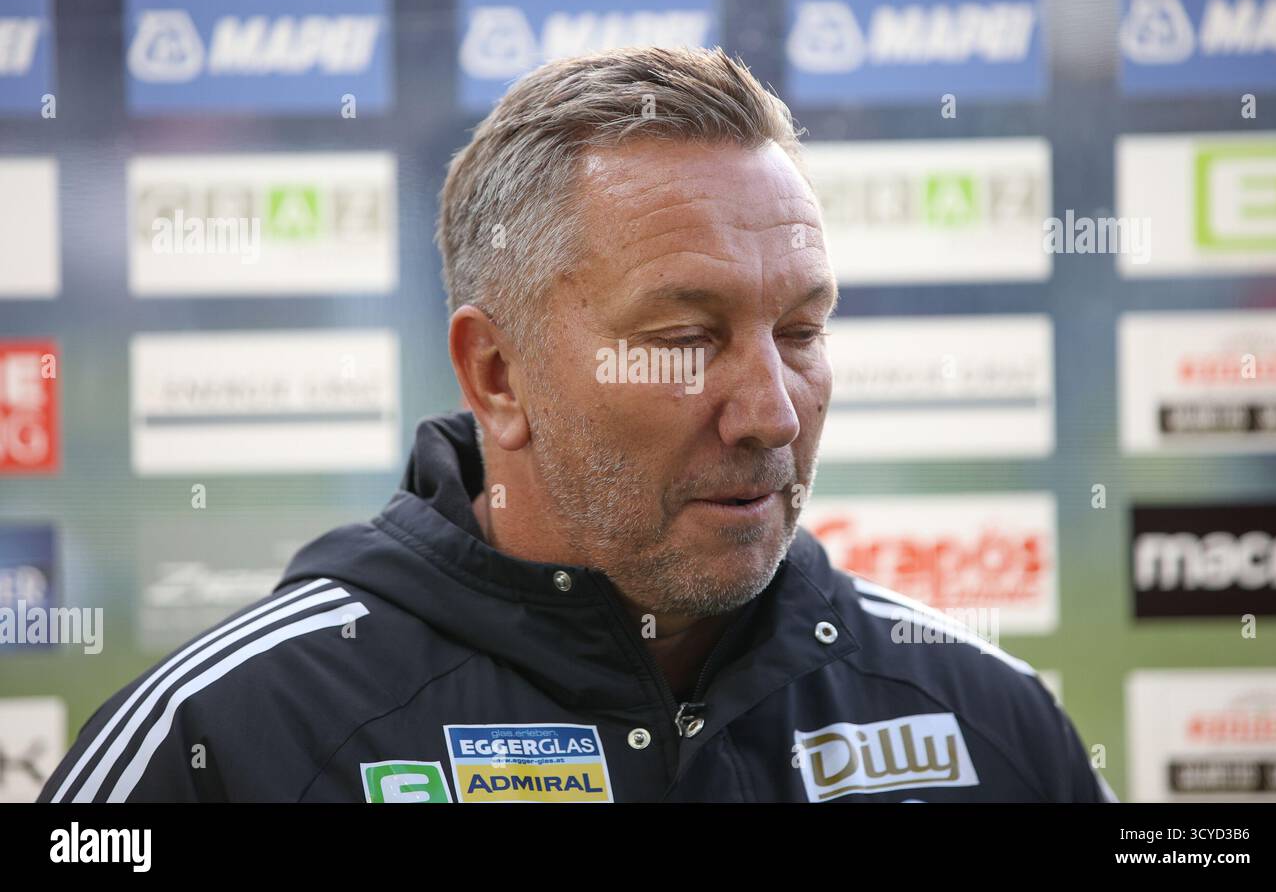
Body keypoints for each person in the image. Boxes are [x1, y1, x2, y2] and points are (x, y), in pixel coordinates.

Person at [40, 46, 1116, 803]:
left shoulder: (989, 719)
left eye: (800, 331)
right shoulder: (222, 742)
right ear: (497, 373)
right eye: (686, 337)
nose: (772, 412)